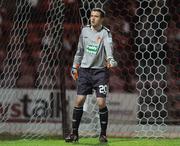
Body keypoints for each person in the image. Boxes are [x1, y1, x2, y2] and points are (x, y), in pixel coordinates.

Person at [65, 8, 117, 143]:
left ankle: (103, 134)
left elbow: (108, 49)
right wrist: (75, 66)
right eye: (91, 16)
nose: (92, 18)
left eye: (96, 16)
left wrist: (110, 59)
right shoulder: (85, 31)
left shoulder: (106, 33)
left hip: (100, 72)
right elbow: (79, 50)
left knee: (101, 102)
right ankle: (74, 134)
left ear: (102, 19)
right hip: (84, 71)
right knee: (79, 100)